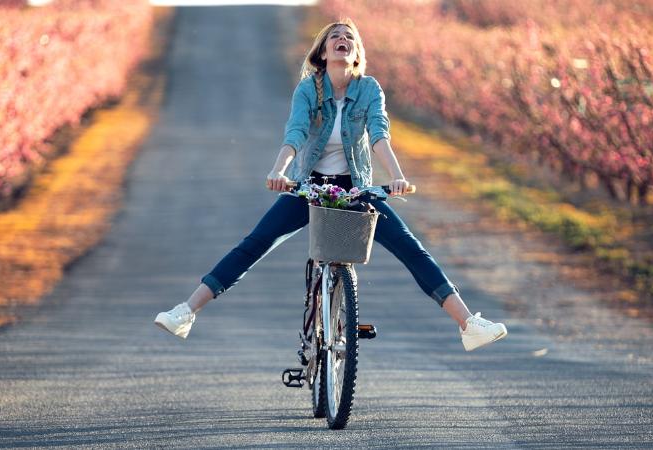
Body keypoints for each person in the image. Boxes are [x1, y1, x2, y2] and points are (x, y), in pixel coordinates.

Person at [154, 18, 507, 351]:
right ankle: (186, 312)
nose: (343, 40)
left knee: (411, 248)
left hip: (355, 188)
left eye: (350, 37)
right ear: (323, 52)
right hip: (310, 187)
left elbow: (379, 134)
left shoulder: (369, 89)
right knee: (255, 244)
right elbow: (295, 132)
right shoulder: (309, 89)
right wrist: (279, 171)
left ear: (356, 53)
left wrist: (397, 177)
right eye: (335, 36)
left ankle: (468, 325)